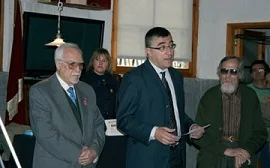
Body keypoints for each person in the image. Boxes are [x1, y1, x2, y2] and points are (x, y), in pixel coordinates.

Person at [117, 27, 205, 168]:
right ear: (148, 52)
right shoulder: (134, 78)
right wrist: (154, 132)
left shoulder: (176, 76)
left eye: (171, 46)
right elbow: (124, 120)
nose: (169, 52)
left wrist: (191, 126)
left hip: (177, 156)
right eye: (162, 47)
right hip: (148, 158)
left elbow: (176, 112)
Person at [29, 43, 105, 168]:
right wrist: (80, 154)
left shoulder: (88, 90)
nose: (78, 70)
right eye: (72, 65)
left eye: (80, 65)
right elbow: (45, 133)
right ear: (58, 64)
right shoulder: (40, 91)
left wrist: (94, 151)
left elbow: (98, 125)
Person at [193, 56, 268, 168]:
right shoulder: (209, 97)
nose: (228, 76)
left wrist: (245, 150)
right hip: (214, 154)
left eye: (233, 71)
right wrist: (225, 150)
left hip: (242, 155)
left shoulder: (250, 96)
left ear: (240, 74)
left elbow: (260, 133)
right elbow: (198, 135)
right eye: (224, 71)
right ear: (219, 74)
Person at [81, 48, 119, 119]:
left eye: (104, 61)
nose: (100, 63)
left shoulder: (113, 80)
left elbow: (117, 104)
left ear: (108, 64)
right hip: (92, 120)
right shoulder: (84, 80)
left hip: (110, 121)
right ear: (93, 61)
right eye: (97, 59)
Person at [247, 60, 270, 168]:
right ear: (251, 74)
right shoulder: (246, 90)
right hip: (253, 137)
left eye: (260, 69)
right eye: (254, 70)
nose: (257, 72)